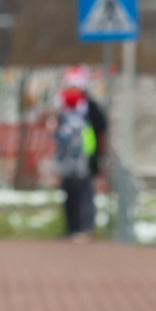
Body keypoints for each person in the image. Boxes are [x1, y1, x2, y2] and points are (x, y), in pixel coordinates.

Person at [53, 65, 107, 243]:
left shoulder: (90, 107)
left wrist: (97, 158)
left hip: (85, 159)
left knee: (85, 195)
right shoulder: (63, 109)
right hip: (68, 161)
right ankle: (72, 228)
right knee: (70, 195)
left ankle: (85, 229)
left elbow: (100, 128)